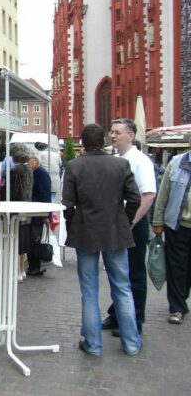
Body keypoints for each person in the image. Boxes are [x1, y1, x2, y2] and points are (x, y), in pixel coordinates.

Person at [63, 123, 141, 356]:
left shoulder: (74, 166)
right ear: (105, 141)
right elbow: (134, 199)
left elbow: (67, 205)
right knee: (122, 287)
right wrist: (125, 220)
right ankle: (131, 344)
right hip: (115, 231)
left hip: (86, 232)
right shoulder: (120, 164)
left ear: (83, 143)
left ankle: (93, 345)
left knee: (89, 290)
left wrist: (73, 225)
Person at [102, 119, 156, 337]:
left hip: (133, 222)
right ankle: (117, 314)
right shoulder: (118, 159)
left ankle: (135, 320)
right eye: (111, 132)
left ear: (131, 136)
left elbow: (148, 194)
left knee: (133, 272)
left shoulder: (140, 161)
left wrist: (131, 221)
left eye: (117, 132)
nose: (113, 135)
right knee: (118, 271)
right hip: (119, 222)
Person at [152, 136, 191, 325]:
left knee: (187, 267)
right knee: (176, 267)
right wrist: (157, 220)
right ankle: (177, 307)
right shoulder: (176, 163)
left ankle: (183, 297)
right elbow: (163, 193)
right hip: (176, 224)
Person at [8, 143, 34, 281]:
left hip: (16, 209)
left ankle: (17, 271)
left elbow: (12, 192)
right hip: (27, 208)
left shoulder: (15, 171)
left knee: (16, 240)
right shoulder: (29, 168)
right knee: (23, 240)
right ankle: (21, 270)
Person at [27, 154, 52, 276]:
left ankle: (35, 266)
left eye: (29, 161)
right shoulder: (35, 172)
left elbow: (45, 195)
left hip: (39, 213)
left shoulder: (41, 173)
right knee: (33, 239)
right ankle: (34, 266)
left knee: (35, 239)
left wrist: (46, 215)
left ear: (35, 161)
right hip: (35, 212)